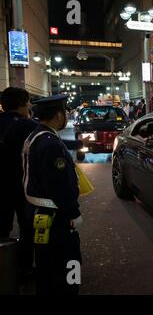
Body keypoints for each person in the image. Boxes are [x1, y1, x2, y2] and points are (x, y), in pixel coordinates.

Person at [23, 94, 82, 294]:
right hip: (56, 217)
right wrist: (73, 213)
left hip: (38, 212)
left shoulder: (35, 136)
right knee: (68, 263)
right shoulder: (51, 144)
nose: (65, 115)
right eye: (64, 111)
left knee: (45, 263)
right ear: (58, 115)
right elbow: (59, 186)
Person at [0, 87, 37, 279]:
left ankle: (3, 267)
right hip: (22, 186)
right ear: (22, 104)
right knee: (27, 228)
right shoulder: (27, 126)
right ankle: (23, 268)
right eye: (28, 102)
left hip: (0, 187)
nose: (29, 105)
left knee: (1, 227)